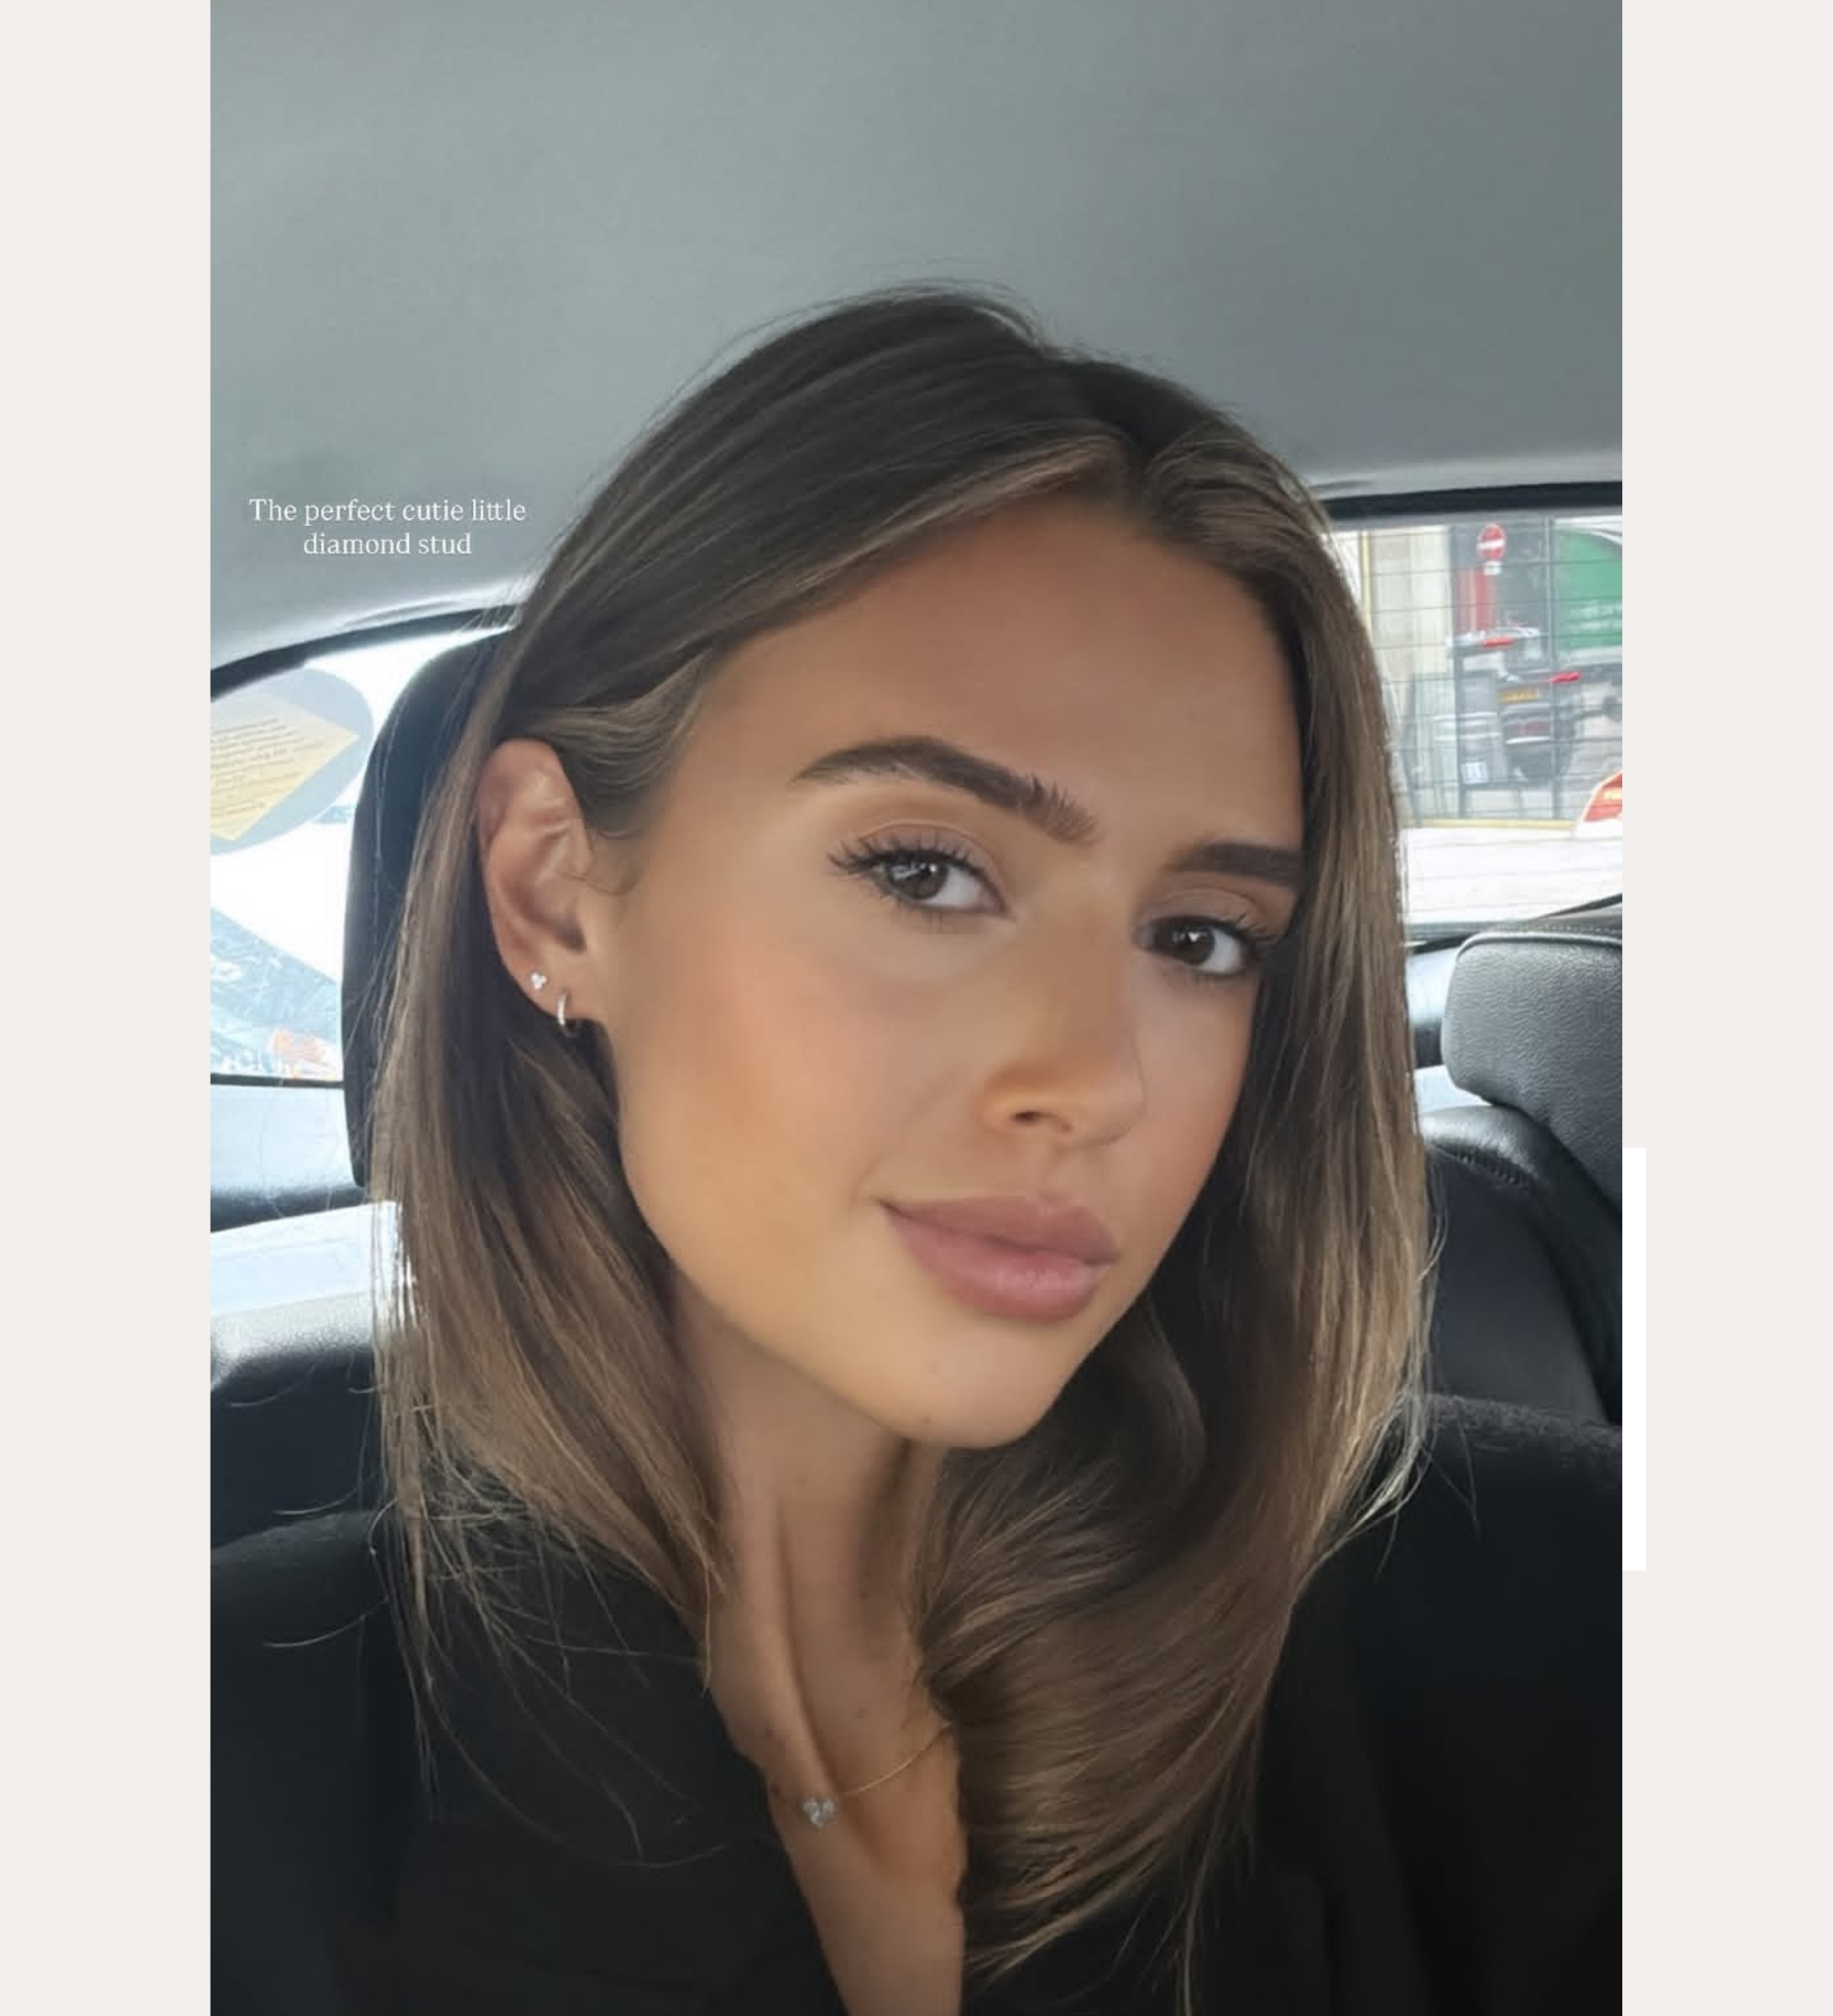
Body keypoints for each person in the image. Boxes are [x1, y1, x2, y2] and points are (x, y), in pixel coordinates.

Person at [213, 290, 1619, 2016]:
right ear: (553, 890)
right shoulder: (209, 1789)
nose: (1094, 1080)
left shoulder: (1546, 1627)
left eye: (1198, 936)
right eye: (925, 872)